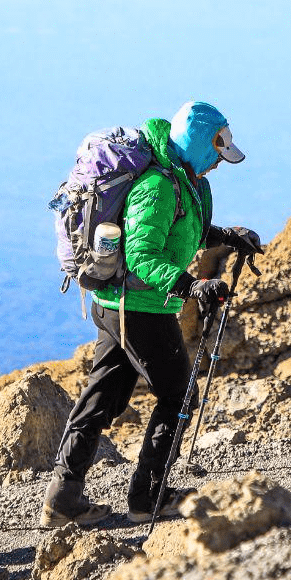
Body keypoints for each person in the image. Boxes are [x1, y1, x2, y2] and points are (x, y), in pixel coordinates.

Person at [43, 101, 264, 527]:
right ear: (200, 146)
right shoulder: (159, 187)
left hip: (117, 305)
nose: (220, 163)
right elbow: (142, 256)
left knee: (101, 399)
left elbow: (181, 230)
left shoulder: (184, 179)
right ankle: (149, 497)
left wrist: (227, 236)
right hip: (140, 309)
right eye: (217, 154)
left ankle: (62, 498)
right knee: (178, 396)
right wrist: (191, 285)